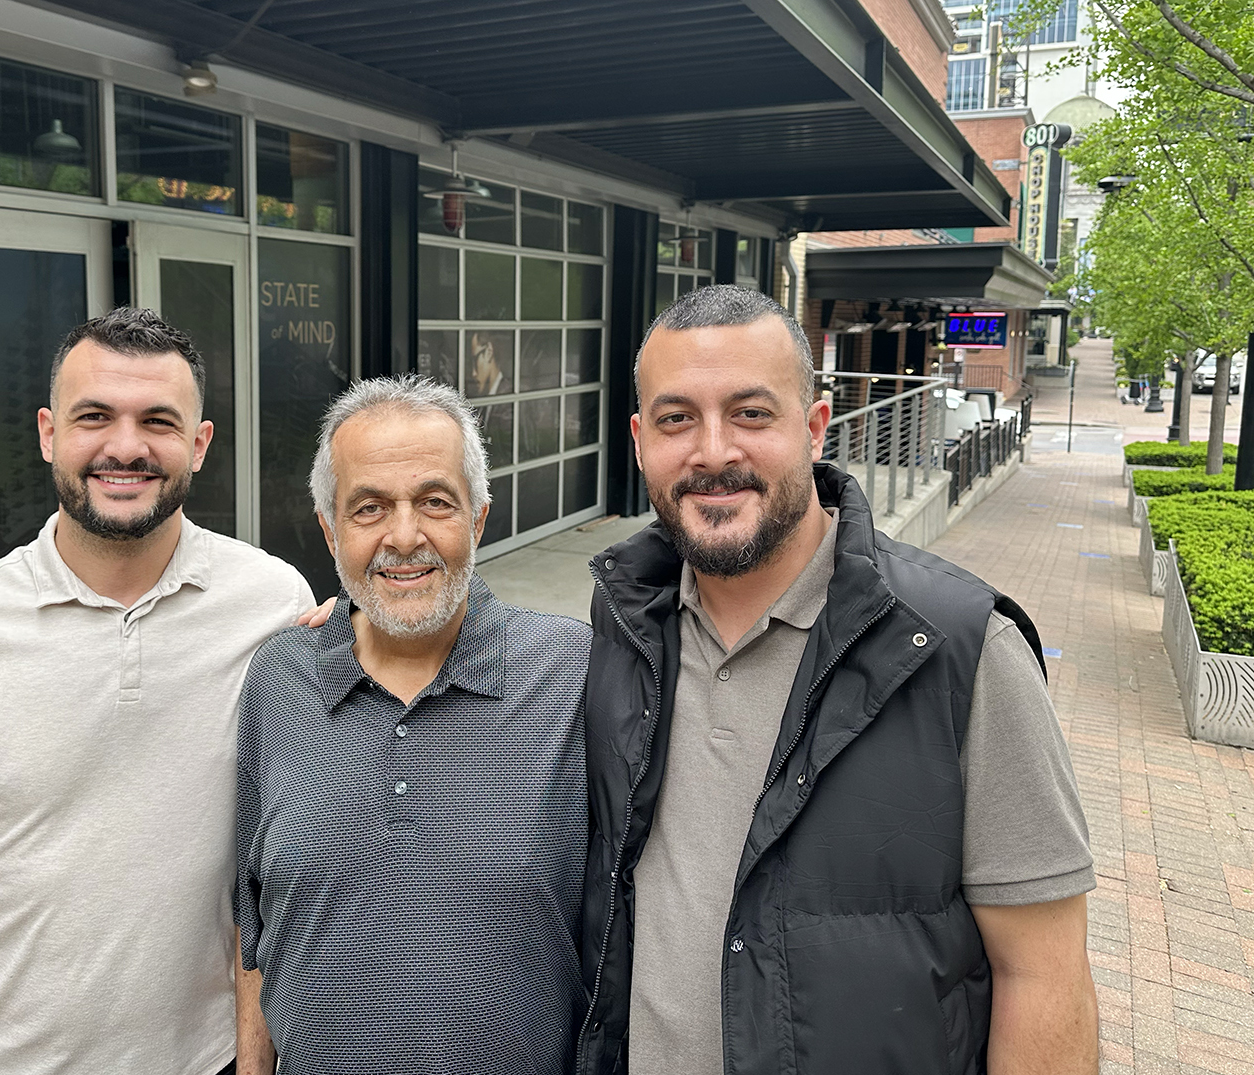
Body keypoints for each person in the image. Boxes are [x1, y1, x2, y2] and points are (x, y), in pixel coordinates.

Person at [578, 286, 1098, 1075]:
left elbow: (1045, 975)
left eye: (751, 414)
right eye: (677, 418)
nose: (713, 451)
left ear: (816, 427)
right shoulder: (623, 622)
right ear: (641, 441)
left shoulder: (961, 648)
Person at [0, 308, 317, 1075]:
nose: (126, 446)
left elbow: (286, 848)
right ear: (49, 434)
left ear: (199, 444)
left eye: (158, 420)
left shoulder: (272, 604)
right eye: (94, 416)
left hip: (203, 1058)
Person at [234, 376, 590, 1075]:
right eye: (369, 508)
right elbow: (254, 924)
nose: (403, 537)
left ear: (478, 520)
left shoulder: (574, 674)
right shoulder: (277, 680)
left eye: (435, 501)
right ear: (330, 531)